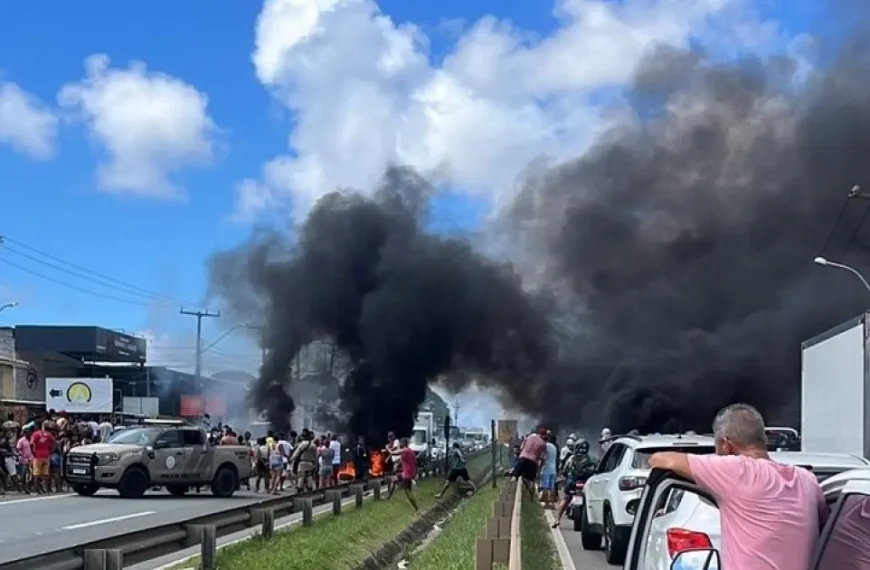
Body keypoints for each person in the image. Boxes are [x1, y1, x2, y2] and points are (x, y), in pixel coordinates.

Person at [648, 403, 827, 570]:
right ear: (763, 439)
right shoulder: (806, 480)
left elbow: (660, 460)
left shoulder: (735, 470)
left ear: (726, 445)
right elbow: (826, 526)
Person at [552, 438, 595, 527]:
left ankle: (557, 519)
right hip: (586, 484)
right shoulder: (591, 458)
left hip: (573, 483)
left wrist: (565, 474)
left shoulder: (571, 458)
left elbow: (565, 469)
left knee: (566, 498)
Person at [514, 427, 547, 499]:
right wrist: (539, 469)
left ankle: (513, 491)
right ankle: (532, 496)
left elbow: (521, 448)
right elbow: (542, 458)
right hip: (533, 462)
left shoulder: (529, 437)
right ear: (544, 436)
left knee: (515, 475)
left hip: (523, 458)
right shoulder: (543, 444)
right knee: (531, 480)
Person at [388, 437, 420, 512]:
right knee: (393, 479)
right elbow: (413, 462)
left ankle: (417, 509)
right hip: (406, 473)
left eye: (400, 443)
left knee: (408, 493)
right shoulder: (410, 451)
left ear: (403, 443)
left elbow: (392, 453)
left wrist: (387, 448)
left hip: (407, 474)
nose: (400, 445)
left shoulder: (405, 450)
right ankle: (388, 497)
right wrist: (415, 473)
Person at [30, 421, 55, 494]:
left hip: (37, 456)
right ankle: (47, 490)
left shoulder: (35, 434)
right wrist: (51, 451)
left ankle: (35, 491)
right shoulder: (48, 434)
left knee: (36, 474)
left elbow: (31, 444)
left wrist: (33, 453)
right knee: (46, 474)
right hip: (46, 456)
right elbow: (54, 442)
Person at [539, 432, 558, 509]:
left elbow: (543, 458)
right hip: (553, 469)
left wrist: (540, 468)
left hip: (546, 468)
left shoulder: (545, 446)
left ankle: (546, 503)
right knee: (552, 488)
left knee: (545, 487)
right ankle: (552, 504)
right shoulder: (554, 447)